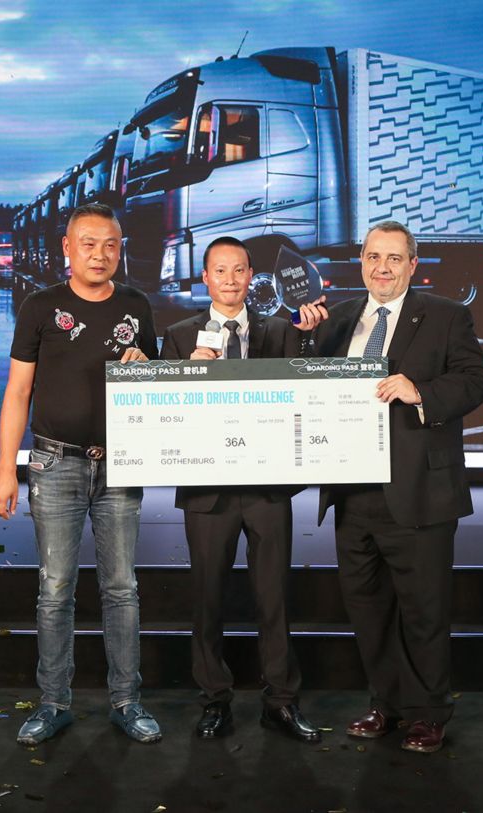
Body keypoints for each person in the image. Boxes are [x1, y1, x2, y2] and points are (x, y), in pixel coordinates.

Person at [296, 220, 483, 754]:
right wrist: (305, 336)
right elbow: (307, 383)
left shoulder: (446, 315)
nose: (382, 268)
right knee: (369, 611)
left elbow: (478, 380)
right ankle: (386, 704)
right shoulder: (338, 319)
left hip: (419, 492)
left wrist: (419, 390)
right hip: (352, 492)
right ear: (361, 262)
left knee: (424, 611)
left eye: (393, 258)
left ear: (412, 265)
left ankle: (428, 714)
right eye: (372, 257)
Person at [0, 202, 162, 745]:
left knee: (121, 588)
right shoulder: (40, 306)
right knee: (56, 587)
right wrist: (5, 469)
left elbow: (152, 386)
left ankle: (127, 701)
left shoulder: (137, 305)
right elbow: (18, 392)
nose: (100, 254)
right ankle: (53, 703)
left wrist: (149, 369)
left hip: (120, 464)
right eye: (88, 243)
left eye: (110, 244)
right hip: (53, 464)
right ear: (67, 248)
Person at [159, 237, 321, 743]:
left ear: (252, 276)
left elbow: (307, 390)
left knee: (274, 597)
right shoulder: (179, 336)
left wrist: (310, 339)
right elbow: (164, 415)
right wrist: (187, 374)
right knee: (208, 598)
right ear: (205, 277)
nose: (230, 280)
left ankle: (281, 702)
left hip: (267, 486)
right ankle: (214, 699)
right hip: (207, 490)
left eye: (239, 270)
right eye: (220, 271)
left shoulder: (281, 330)